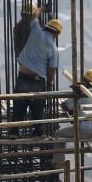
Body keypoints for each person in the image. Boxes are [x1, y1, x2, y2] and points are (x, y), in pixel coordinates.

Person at [10, 8, 63, 138]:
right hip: (38, 80)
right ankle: (37, 132)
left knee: (19, 105)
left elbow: (33, 16)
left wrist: (41, 9)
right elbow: (51, 70)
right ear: (56, 34)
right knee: (37, 107)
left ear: (46, 28)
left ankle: (14, 132)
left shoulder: (36, 32)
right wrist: (50, 83)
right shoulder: (54, 49)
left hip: (23, 76)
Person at [52, 69, 92, 167]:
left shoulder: (81, 94)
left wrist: (75, 94)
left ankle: (58, 163)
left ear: (85, 80)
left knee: (58, 135)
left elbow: (65, 106)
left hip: (86, 131)